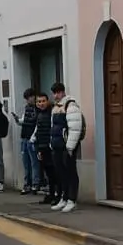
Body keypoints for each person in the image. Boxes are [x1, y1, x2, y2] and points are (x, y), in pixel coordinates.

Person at [48, 82, 84, 212]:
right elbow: (53, 127)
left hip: (67, 146)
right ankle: (64, 197)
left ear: (63, 92)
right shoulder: (56, 107)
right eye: (54, 93)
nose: (55, 95)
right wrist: (51, 143)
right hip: (57, 145)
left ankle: (71, 200)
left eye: (58, 92)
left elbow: (75, 128)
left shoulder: (71, 105)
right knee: (60, 173)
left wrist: (70, 147)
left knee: (70, 172)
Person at [31, 91, 56, 205]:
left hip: (50, 147)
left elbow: (50, 131)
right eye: (39, 102)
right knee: (48, 173)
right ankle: (51, 194)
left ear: (48, 101)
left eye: (43, 101)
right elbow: (39, 132)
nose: (41, 104)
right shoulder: (39, 114)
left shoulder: (51, 113)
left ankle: (56, 195)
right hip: (42, 147)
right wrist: (38, 148)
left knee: (53, 172)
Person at [17, 89, 42, 195]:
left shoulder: (38, 109)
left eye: (29, 98)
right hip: (24, 137)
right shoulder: (27, 108)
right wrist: (18, 120)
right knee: (26, 163)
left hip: (32, 138)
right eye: (26, 99)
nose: (28, 100)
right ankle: (27, 183)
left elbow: (37, 124)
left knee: (34, 162)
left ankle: (35, 183)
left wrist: (34, 137)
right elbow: (24, 120)